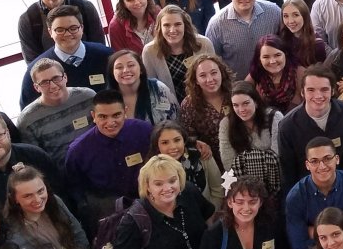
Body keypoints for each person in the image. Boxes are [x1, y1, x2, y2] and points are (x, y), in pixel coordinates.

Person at [65, 91, 153, 226]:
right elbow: (76, 191)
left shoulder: (144, 131)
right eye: (103, 117)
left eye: (116, 115)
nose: (110, 122)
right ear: (93, 116)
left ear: (125, 111)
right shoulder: (78, 151)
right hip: (109, 215)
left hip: (149, 201)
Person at [284, 136, 343, 249]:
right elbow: (299, 243)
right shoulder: (295, 196)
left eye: (327, 158)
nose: (322, 166)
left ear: (337, 159)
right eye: (314, 161)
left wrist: (314, 231)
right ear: (307, 165)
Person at [19, 5, 114, 108]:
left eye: (73, 28)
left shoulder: (107, 56)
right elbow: (28, 112)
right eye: (60, 30)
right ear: (50, 32)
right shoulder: (36, 71)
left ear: (82, 28)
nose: (67, 34)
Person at [277, 64, 343, 181]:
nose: (318, 96)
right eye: (311, 90)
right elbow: (288, 173)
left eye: (324, 89)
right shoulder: (287, 126)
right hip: (308, 192)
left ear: (332, 91)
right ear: (302, 93)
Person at [17, 0, 106, 64]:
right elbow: (33, 63)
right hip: (52, 78)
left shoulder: (85, 8)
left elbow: (100, 48)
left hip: (90, 69)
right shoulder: (28, 19)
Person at [17, 59, 97, 163]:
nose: (53, 86)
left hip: (98, 162)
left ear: (65, 77)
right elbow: (35, 160)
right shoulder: (27, 120)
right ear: (37, 87)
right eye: (45, 82)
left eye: (56, 78)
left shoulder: (88, 97)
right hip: (63, 174)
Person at [205, 0, 283, 79]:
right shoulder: (216, 24)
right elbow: (212, 60)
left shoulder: (274, 12)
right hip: (237, 88)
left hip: (273, 83)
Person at [218, 83, 284, 198]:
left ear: (256, 102)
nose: (241, 109)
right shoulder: (226, 124)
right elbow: (228, 162)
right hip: (242, 183)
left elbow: (278, 156)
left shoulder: (274, 117)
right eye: (236, 105)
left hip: (274, 180)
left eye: (246, 103)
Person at [141, 5, 215, 103]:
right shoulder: (149, 51)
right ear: (159, 27)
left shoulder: (204, 44)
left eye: (177, 24)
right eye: (166, 25)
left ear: (185, 25)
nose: (172, 30)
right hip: (170, 108)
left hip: (205, 103)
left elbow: (215, 76)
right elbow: (152, 88)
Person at [150, 120, 224, 209]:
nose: (173, 147)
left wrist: (211, 214)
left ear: (184, 140)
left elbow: (218, 189)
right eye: (165, 143)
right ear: (157, 145)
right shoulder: (151, 170)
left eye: (177, 140)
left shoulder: (202, 155)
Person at [177, 53, 232, 164]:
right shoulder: (189, 104)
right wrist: (197, 144)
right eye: (203, 75)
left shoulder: (234, 95)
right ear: (196, 80)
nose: (210, 79)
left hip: (239, 156)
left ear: (221, 73)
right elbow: (187, 137)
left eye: (214, 73)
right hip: (209, 161)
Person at [106, 49, 178, 125]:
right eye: (119, 67)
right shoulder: (106, 99)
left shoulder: (159, 88)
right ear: (112, 73)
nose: (125, 70)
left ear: (141, 69)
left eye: (131, 65)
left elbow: (177, 120)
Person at [242, 35, 302, 114]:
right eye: (266, 57)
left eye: (277, 55)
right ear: (259, 59)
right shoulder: (255, 76)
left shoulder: (300, 74)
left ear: (286, 54)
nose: (272, 61)